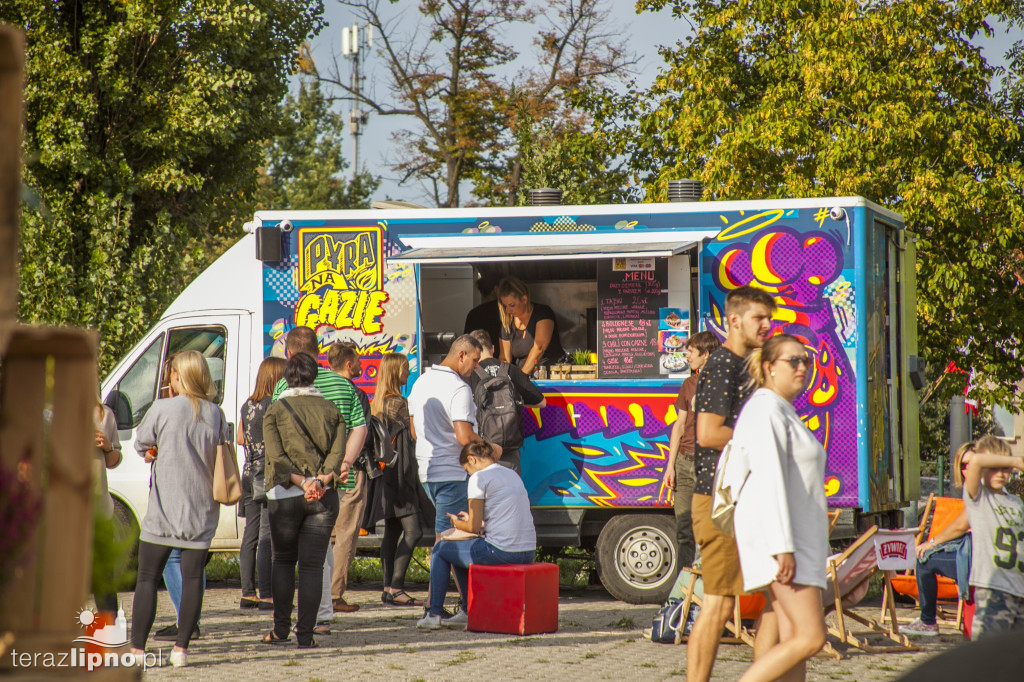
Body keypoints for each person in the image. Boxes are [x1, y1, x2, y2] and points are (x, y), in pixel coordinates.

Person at [688, 285, 777, 682]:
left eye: (769, 317)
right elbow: (707, 433)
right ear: (734, 320)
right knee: (719, 605)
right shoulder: (724, 364)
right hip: (719, 501)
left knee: (778, 597)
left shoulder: (751, 365)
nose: (767, 325)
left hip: (749, 499)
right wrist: (764, 436)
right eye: (759, 318)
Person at [731, 334, 828, 682]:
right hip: (784, 543)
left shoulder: (782, 410)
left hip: (796, 541)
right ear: (770, 367)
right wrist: (781, 545)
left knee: (793, 642)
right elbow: (768, 478)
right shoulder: (765, 408)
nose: (803, 367)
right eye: (793, 361)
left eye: (806, 361)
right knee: (810, 637)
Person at [130, 351, 225, 668]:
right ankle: (181, 649)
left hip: (164, 510)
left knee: (146, 579)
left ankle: (137, 651)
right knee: (193, 578)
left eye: (171, 375)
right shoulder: (215, 413)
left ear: (177, 377)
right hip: (201, 510)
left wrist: (154, 450)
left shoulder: (162, 408)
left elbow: (141, 442)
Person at [270, 327, 368, 616]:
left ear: (288, 353)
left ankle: (284, 622)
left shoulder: (280, 388)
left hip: (291, 483)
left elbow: (275, 436)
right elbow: (359, 427)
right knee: (320, 552)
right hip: (328, 481)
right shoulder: (343, 385)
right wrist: (344, 464)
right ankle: (322, 614)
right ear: (319, 349)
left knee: (287, 558)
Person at [261, 353, 347, 649]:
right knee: (312, 567)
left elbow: (276, 458)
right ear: (315, 376)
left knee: (283, 561)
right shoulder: (331, 409)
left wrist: (302, 481)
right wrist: (320, 481)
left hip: (285, 496)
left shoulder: (274, 410)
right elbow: (338, 456)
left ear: (287, 377)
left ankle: (280, 629)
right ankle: (306, 636)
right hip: (323, 497)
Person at [417, 440, 536, 630]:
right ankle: (467, 611)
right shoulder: (510, 473)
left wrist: (457, 522)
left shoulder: (478, 478)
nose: (468, 474)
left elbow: (471, 527)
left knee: (440, 549)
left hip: (501, 551)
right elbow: (492, 519)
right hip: (527, 551)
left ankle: (434, 614)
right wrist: (474, 521)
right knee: (456, 552)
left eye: (467, 469)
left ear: (471, 459)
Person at [407, 334, 501, 546]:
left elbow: (414, 432)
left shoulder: (420, 382)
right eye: (475, 360)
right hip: (452, 473)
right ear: (461, 355)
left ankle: (450, 580)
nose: (476, 367)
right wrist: (491, 450)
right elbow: (465, 436)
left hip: (427, 472)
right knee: (450, 541)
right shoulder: (459, 388)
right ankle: (441, 581)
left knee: (448, 538)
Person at [369, 353, 431, 606]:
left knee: (392, 532)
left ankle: (387, 588)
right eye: (406, 369)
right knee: (414, 532)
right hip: (402, 474)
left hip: (386, 476)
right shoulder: (399, 403)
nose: (408, 373)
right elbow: (412, 438)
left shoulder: (379, 402)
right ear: (396, 373)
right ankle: (396, 587)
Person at [903, 441, 974, 636]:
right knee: (928, 555)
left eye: (972, 464)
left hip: (977, 559)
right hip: (980, 553)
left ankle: (927, 621)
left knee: (924, 559)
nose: (968, 469)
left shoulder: (978, 489)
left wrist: (931, 543)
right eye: (963, 465)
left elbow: (960, 526)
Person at [323, 341, 372, 618]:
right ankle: (334, 594)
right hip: (350, 470)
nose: (362, 365)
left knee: (325, 533)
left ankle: (320, 591)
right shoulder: (356, 393)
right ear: (349, 365)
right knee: (346, 532)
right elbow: (361, 432)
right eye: (358, 360)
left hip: (322, 470)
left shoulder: (319, 388)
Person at [664, 331, 719, 571]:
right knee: (684, 532)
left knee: (712, 530)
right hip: (684, 465)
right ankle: (682, 593)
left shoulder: (723, 386)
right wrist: (670, 467)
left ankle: (710, 590)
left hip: (711, 465)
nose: (686, 355)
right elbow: (678, 426)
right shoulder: (688, 384)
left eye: (690, 351)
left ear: (705, 354)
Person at [961, 434, 1024, 639]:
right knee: (988, 658)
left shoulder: (1016, 502)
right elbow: (976, 461)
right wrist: (1014, 461)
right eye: (995, 466)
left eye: (1005, 469)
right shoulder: (979, 498)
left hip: (1019, 589)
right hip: (993, 588)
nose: (1001, 473)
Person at [237, 356, 286, 610]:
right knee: (267, 534)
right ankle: (267, 594)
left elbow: (239, 439)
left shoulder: (248, 404)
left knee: (250, 535)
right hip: (267, 473)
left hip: (248, 472)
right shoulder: (274, 405)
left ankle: (248, 593)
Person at [467, 329, 546, 475]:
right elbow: (542, 402)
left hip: (481, 450)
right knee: (511, 493)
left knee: (483, 494)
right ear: (492, 348)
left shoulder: (469, 373)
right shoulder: (511, 370)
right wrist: (515, 403)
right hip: (509, 448)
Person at [497, 276, 565, 375]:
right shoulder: (507, 322)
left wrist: (520, 377)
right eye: (505, 306)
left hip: (549, 376)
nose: (508, 310)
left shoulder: (543, 313)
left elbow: (539, 348)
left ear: (524, 299)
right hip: (524, 377)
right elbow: (504, 358)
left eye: (512, 305)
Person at [93, 396, 123, 613]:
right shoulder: (54, 413)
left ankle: (108, 636)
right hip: (66, 510)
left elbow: (114, 460)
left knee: (103, 579)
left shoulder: (104, 414)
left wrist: (108, 447)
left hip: (100, 508)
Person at [463, 269, 504, 352]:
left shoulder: (474, 314)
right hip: (505, 361)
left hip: (481, 359)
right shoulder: (507, 311)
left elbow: (467, 341)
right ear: (496, 290)